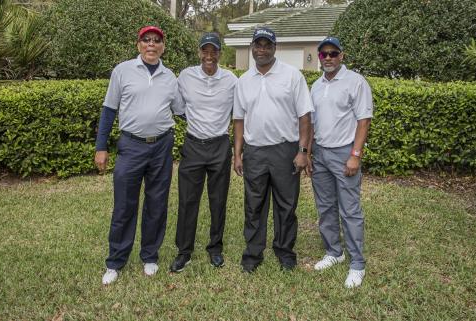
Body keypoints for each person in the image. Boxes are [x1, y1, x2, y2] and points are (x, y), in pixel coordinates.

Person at [95, 25, 184, 285]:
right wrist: (101, 147)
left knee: (156, 203)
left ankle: (150, 256)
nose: (151, 45)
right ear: (138, 45)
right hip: (131, 146)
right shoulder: (122, 71)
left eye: (156, 41)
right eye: (146, 40)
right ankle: (115, 261)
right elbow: (109, 110)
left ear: (163, 47)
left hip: (162, 147)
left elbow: (181, 111)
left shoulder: (170, 77)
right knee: (124, 204)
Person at [233, 27, 313, 272]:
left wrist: (303, 151)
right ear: (252, 48)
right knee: (254, 205)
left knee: (286, 205)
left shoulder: (292, 76)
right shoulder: (243, 81)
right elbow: (239, 120)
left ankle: (285, 252)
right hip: (255, 151)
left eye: (267, 45)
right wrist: (237, 153)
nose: (262, 49)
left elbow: (305, 116)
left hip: (285, 150)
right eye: (258, 45)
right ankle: (253, 254)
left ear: (275, 48)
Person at [307, 37, 373, 288]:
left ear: (342, 56)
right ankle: (334, 252)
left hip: (344, 153)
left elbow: (363, 121)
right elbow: (312, 123)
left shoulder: (355, 82)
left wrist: (355, 155)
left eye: (333, 53)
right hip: (321, 154)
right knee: (325, 207)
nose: (328, 58)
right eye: (323, 54)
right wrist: (309, 152)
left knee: (350, 210)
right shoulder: (316, 86)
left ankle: (357, 263)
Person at [169, 33, 237, 272]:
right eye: (205, 51)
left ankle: (215, 248)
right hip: (193, 145)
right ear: (199, 52)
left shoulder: (230, 79)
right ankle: (184, 251)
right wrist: (196, 121)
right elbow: (178, 107)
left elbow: (237, 112)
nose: (209, 56)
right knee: (188, 200)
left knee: (218, 200)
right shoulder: (186, 76)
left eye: (214, 51)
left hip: (220, 145)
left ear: (219, 53)